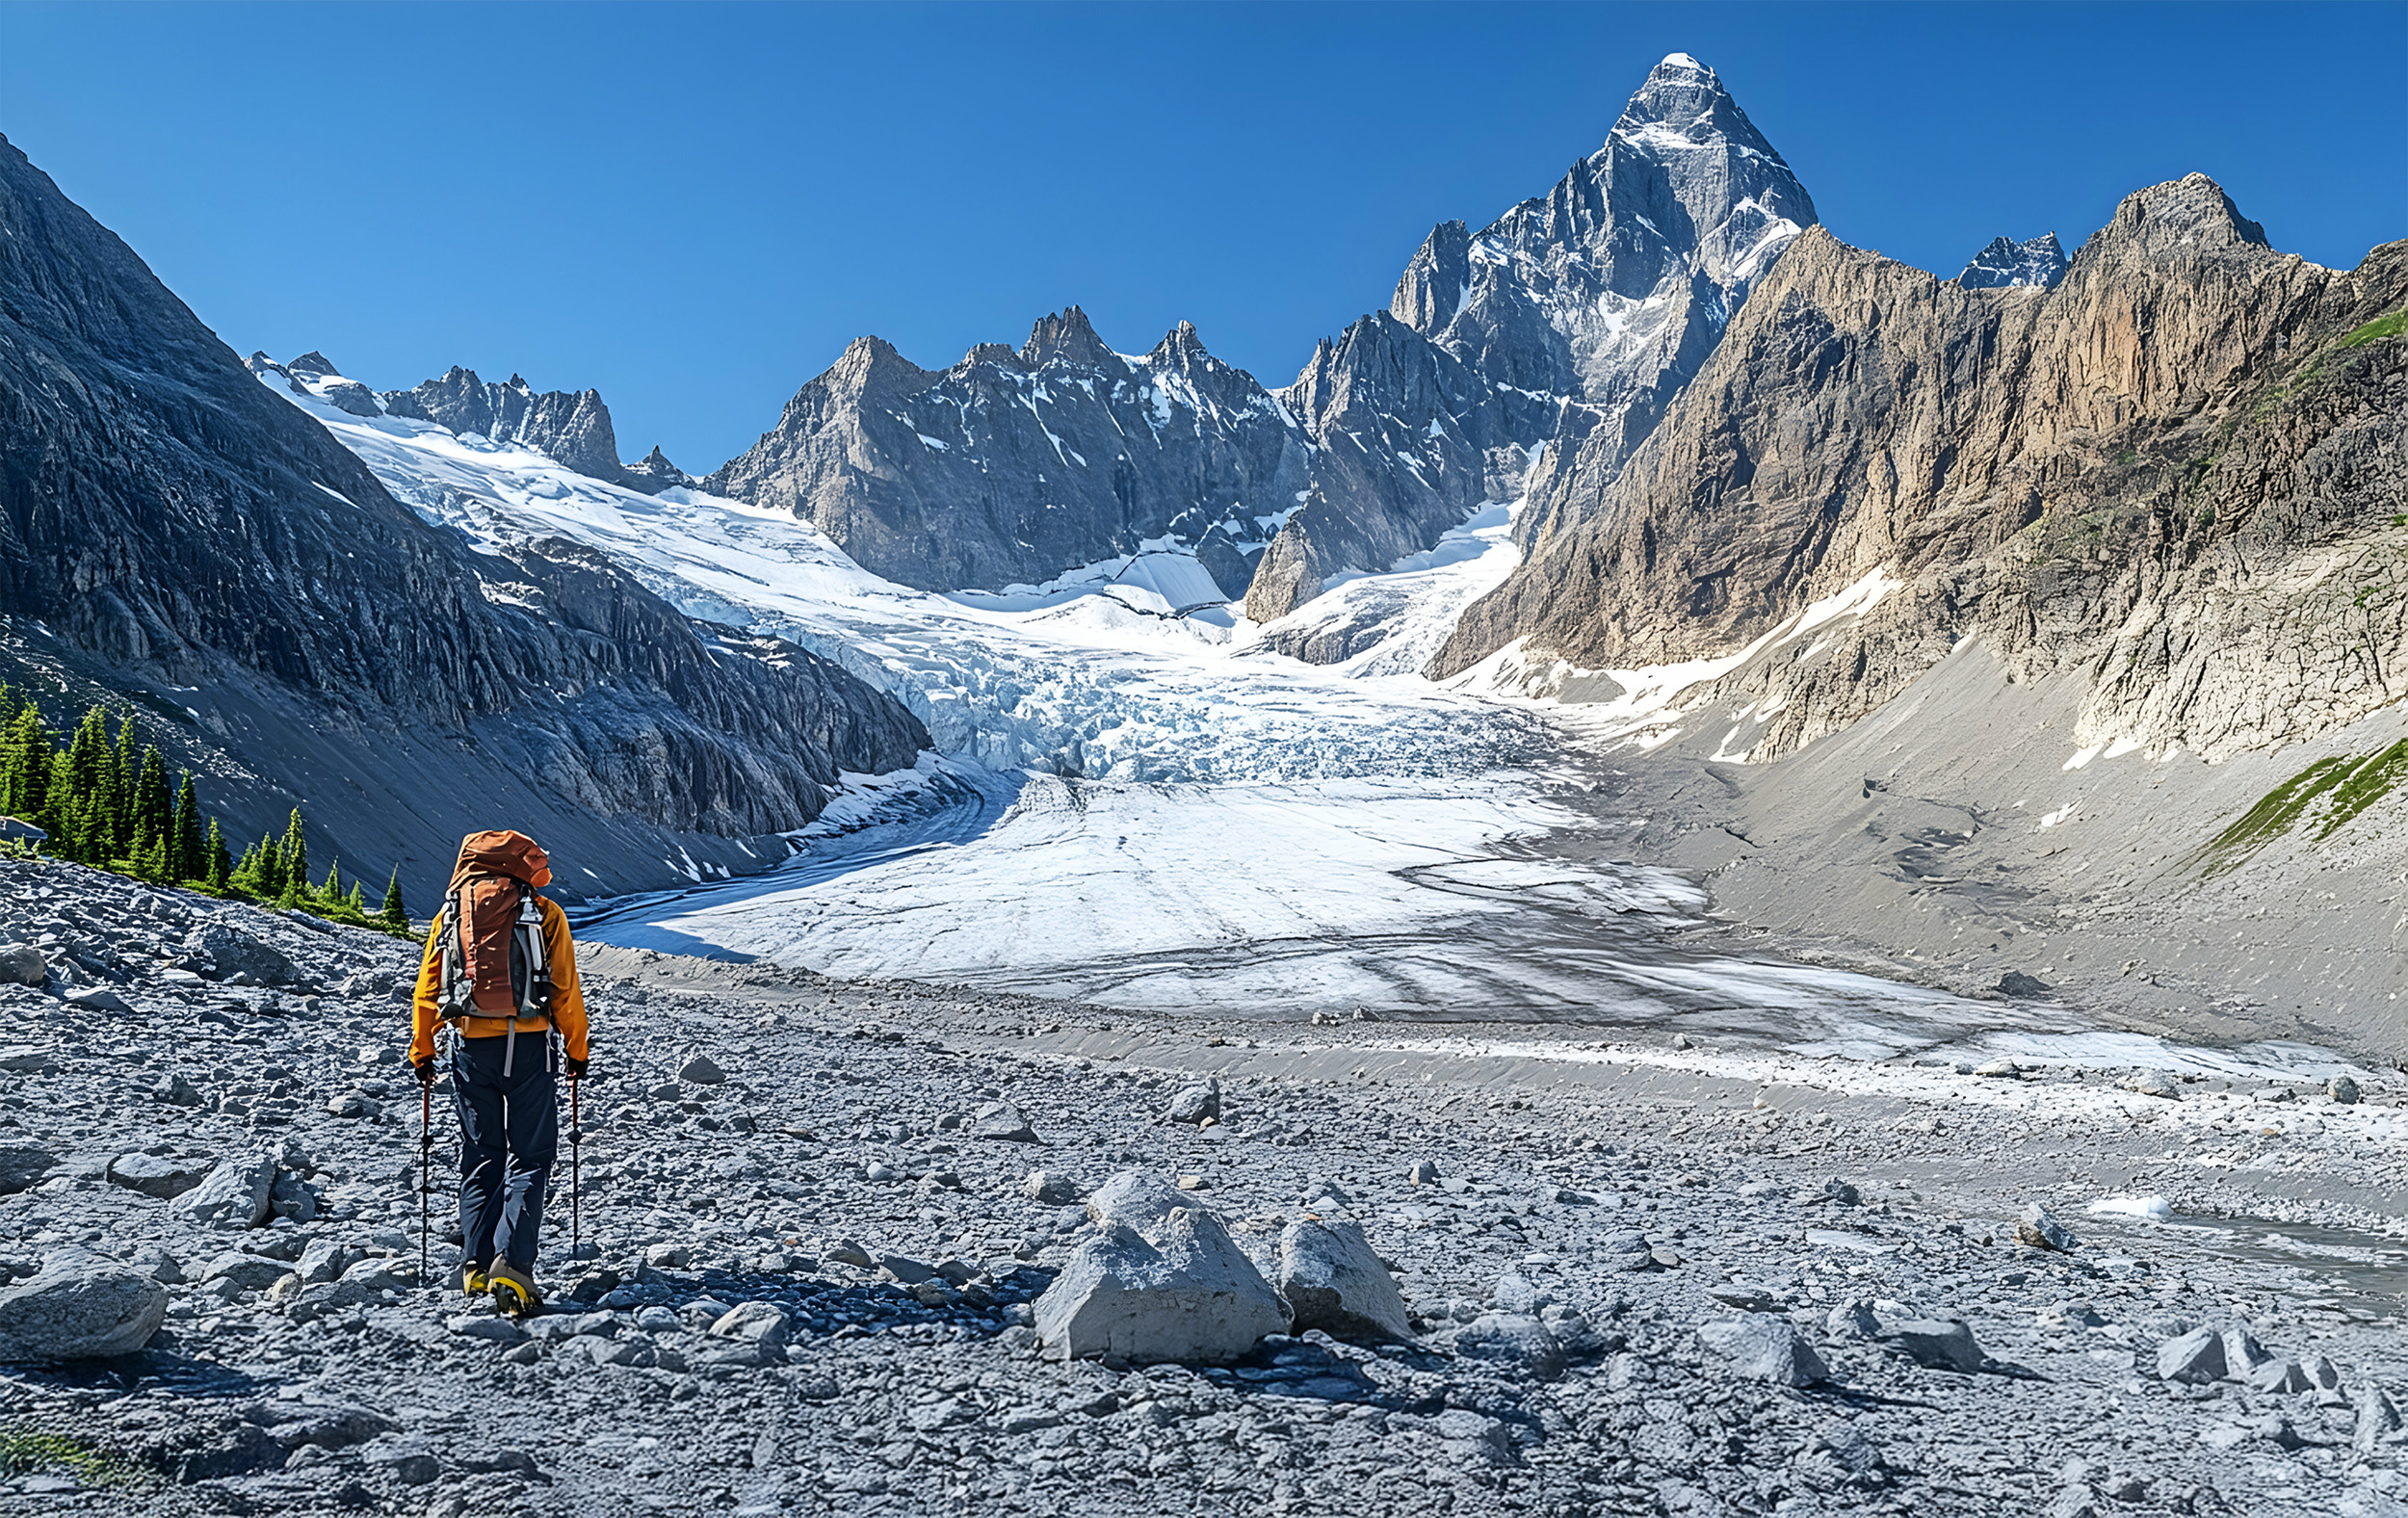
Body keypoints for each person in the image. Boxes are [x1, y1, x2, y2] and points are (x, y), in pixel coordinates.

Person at [409, 829, 589, 1316]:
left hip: (469, 1047)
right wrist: (578, 1050)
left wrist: (422, 1050)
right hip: (529, 1047)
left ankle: (474, 1265)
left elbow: (427, 990)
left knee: (482, 1153)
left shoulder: (451, 916)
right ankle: (514, 1266)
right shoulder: (545, 914)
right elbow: (566, 990)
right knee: (530, 1156)